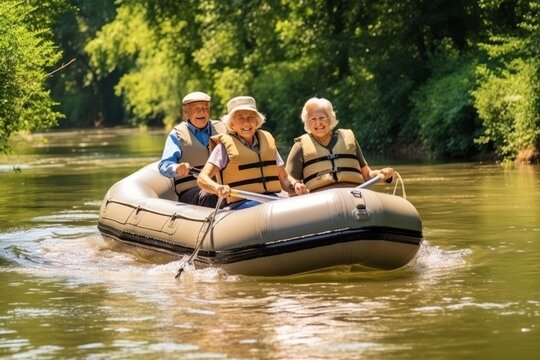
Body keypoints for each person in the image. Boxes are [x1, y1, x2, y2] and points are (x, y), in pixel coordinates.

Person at [197, 96, 307, 210]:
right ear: (232, 124)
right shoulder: (223, 148)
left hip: (271, 200)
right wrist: (217, 188)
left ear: (257, 121)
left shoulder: (267, 142)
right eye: (240, 118)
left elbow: (284, 178)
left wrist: (295, 185)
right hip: (242, 205)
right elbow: (202, 179)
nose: (246, 123)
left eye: (251, 117)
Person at [286, 97, 393, 193]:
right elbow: (289, 179)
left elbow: (367, 174)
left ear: (330, 119)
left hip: (354, 194)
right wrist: (297, 186)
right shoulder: (300, 146)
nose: (318, 123)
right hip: (319, 200)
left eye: (322, 118)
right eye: (313, 119)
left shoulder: (348, 139)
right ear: (308, 123)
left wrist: (381, 173)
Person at [158, 91, 226, 207]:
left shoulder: (223, 128)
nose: (202, 112)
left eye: (205, 108)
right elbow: (164, 164)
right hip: (192, 190)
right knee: (209, 195)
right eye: (196, 109)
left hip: (222, 187)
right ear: (186, 113)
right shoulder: (176, 135)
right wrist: (177, 168)